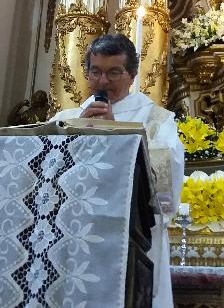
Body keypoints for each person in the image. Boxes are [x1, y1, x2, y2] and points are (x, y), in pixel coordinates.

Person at [51, 33, 185, 308]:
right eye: (96, 71)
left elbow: (164, 188)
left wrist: (115, 133)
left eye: (114, 73)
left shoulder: (157, 121)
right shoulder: (65, 120)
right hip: (73, 237)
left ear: (132, 74)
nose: (102, 82)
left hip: (130, 242)